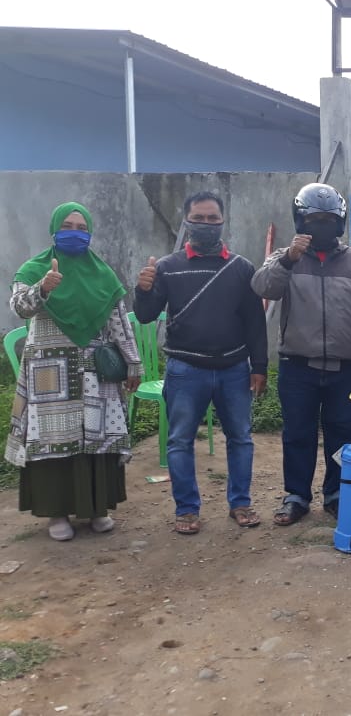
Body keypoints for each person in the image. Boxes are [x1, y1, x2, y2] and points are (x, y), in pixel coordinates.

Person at [134, 191, 268, 535]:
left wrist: (259, 367)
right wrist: (143, 290)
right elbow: (146, 316)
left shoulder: (241, 268)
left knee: (241, 438)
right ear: (187, 222)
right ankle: (187, 510)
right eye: (199, 218)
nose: (206, 224)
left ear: (222, 222)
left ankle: (240, 503)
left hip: (233, 369)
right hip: (185, 370)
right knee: (180, 440)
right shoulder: (167, 267)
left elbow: (255, 323)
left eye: (212, 219)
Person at [5, 203, 141, 541]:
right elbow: (20, 307)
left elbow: (119, 323)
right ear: (54, 229)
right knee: (54, 438)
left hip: (95, 370)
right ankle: (57, 513)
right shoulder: (34, 269)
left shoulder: (102, 274)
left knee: (98, 435)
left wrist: (133, 363)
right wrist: (43, 288)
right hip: (48, 374)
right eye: (67, 226)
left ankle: (97, 508)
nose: (75, 233)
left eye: (82, 227)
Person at [251, 183, 351, 526]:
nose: (322, 226)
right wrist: (288, 260)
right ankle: (296, 496)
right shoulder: (285, 257)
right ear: (300, 221)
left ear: (339, 223)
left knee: (343, 433)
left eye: (329, 220)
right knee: (298, 434)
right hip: (298, 366)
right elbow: (262, 287)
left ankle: (336, 494)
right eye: (314, 220)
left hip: (345, 367)